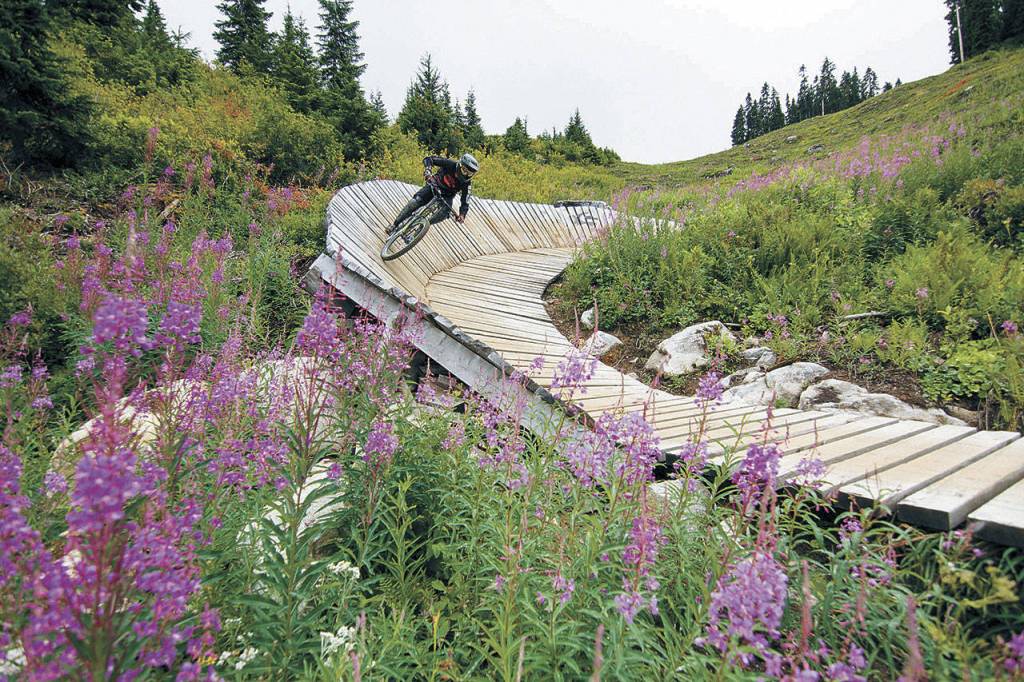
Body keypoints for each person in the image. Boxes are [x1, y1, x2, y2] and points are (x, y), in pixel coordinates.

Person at [389, 153, 479, 233]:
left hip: (447, 196)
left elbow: (465, 201)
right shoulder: (450, 164)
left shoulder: (467, 184)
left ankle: (423, 225)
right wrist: (428, 170)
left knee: (444, 215)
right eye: (464, 170)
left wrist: (462, 215)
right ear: (460, 165)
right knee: (415, 202)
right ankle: (394, 225)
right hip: (434, 185)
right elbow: (429, 159)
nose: (466, 175)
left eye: (469, 173)